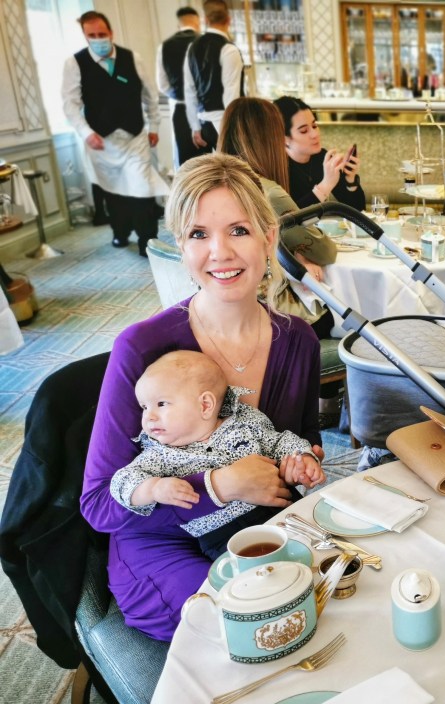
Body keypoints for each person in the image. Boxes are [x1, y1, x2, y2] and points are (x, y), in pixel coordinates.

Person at [80, 153, 323, 641]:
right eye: (198, 234)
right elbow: (99, 505)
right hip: (160, 544)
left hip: (257, 525)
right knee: (257, 626)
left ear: (269, 237)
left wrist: (301, 460)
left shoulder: (299, 340)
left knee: (329, 603)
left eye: (238, 230)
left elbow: (301, 443)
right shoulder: (143, 346)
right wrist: (219, 485)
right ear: (182, 249)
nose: (220, 252)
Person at [111, 350, 324, 558]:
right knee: (260, 576)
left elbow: (279, 441)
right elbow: (122, 481)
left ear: (205, 405)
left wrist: (302, 458)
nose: (149, 417)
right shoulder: (160, 453)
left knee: (320, 545)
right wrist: (153, 488)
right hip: (223, 534)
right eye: (144, 407)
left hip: (281, 504)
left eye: (161, 404)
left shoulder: (243, 422)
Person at [219, 97, 340, 340]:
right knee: (339, 317)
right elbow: (325, 251)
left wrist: (293, 252)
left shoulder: (218, 182)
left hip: (224, 311)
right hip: (271, 316)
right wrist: (300, 252)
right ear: (271, 140)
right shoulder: (266, 190)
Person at [62, 11, 168, 256]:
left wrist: (153, 126)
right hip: (101, 141)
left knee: (142, 188)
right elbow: (70, 104)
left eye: (102, 34)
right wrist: (86, 133)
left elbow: (150, 95)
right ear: (85, 36)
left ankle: (147, 242)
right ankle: (120, 233)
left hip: (134, 137)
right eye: (92, 35)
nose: (98, 39)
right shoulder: (74, 63)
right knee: (114, 191)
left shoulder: (133, 58)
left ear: (111, 33)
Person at [273, 96, 365, 211]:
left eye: (314, 126)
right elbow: (288, 219)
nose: (315, 134)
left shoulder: (321, 157)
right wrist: (325, 185)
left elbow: (358, 210)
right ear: (284, 138)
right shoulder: (276, 169)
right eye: (304, 131)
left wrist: (350, 179)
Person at [184, 0, 245, 152]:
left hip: (204, 124)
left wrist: (195, 128)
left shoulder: (193, 48)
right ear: (228, 20)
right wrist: (233, 132)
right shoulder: (229, 49)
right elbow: (231, 96)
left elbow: (189, 90)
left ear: (206, 20)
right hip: (224, 124)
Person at [156, 6, 208, 168]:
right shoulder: (205, 43)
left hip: (180, 109)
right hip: (203, 110)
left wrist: (178, 95)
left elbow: (162, 84)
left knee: (185, 162)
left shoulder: (164, 46)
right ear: (198, 23)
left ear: (179, 25)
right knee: (207, 161)